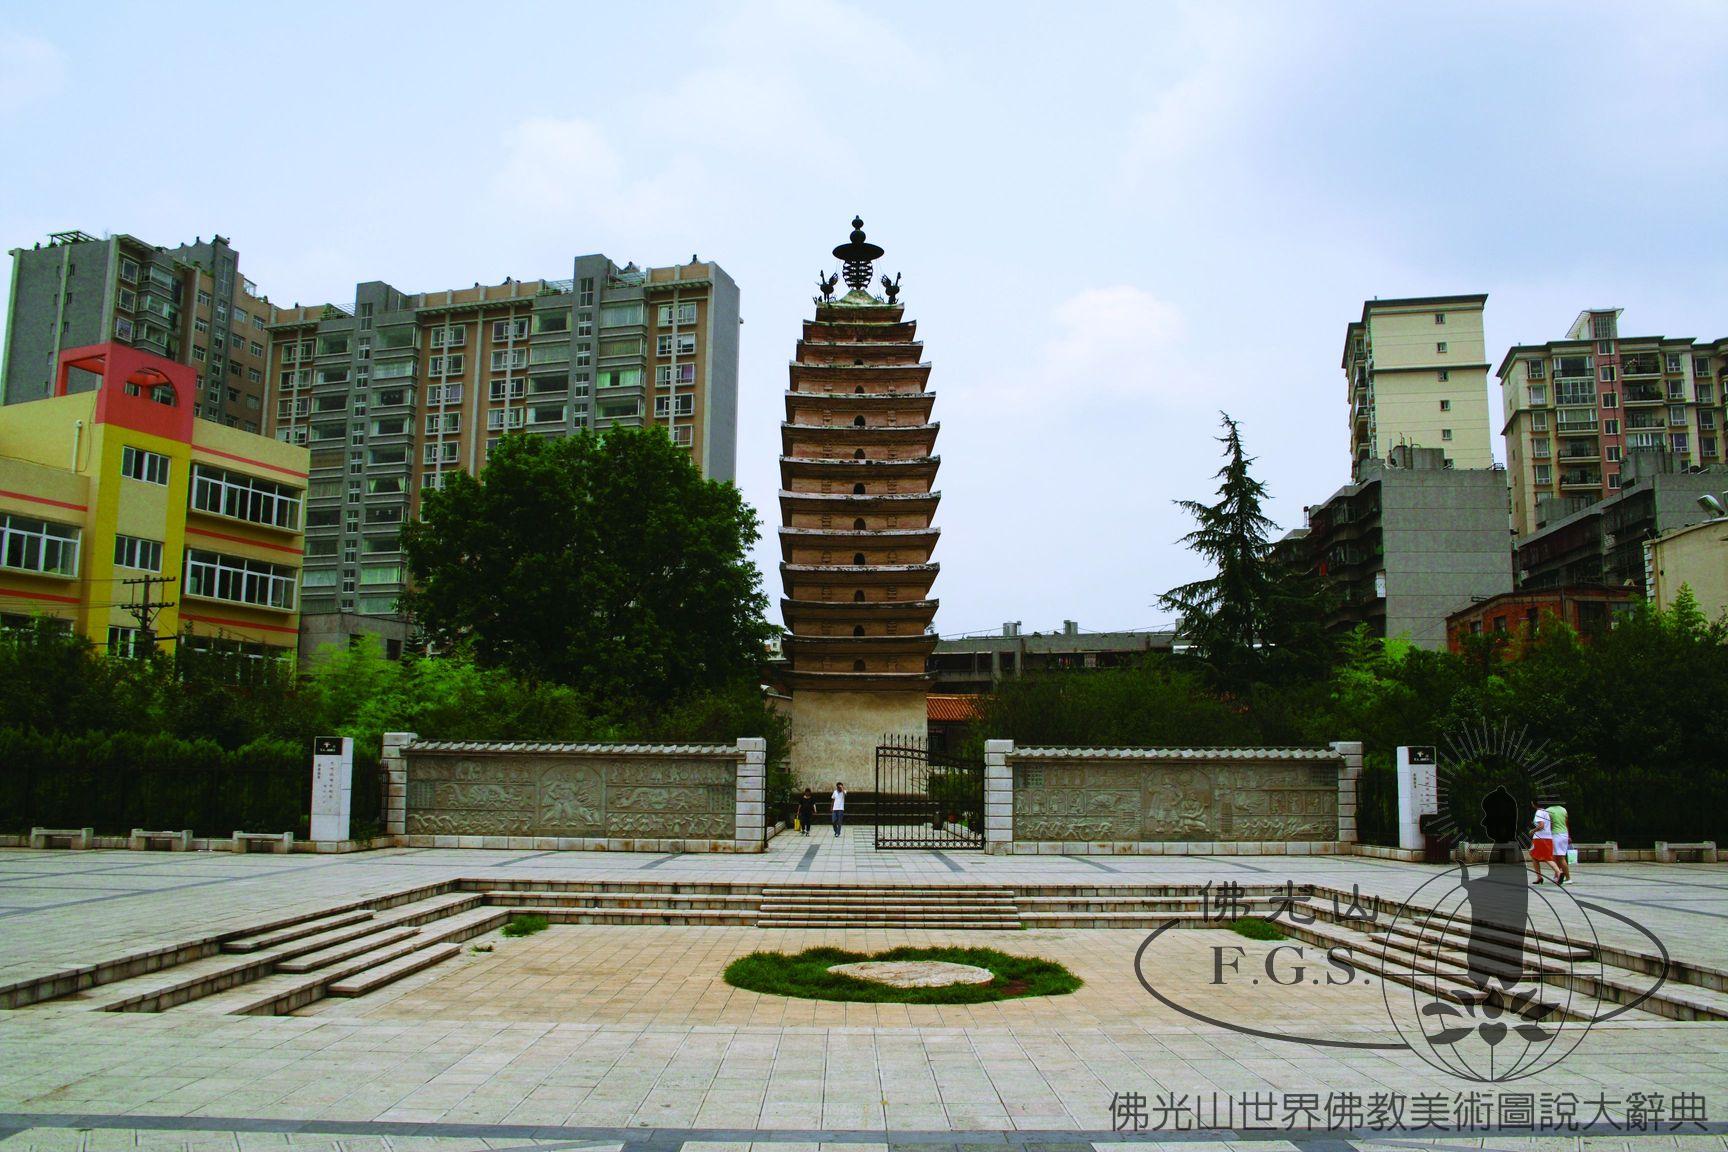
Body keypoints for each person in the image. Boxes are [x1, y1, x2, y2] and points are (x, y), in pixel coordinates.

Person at [1530, 800, 1555, 885]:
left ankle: (1558, 872)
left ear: (1533, 804)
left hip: (1539, 838)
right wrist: (1548, 832)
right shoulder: (1546, 812)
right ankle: (1539, 877)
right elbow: (1552, 824)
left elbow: (1541, 825)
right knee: (1535, 856)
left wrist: (1533, 830)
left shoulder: (1539, 812)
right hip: (1548, 837)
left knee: (1545, 857)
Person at [1548, 799, 1572, 886]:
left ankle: (1568, 878)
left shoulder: (1549, 810)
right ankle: (1557, 875)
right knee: (1558, 856)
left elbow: (1550, 824)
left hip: (1556, 834)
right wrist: (1568, 836)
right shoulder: (1563, 809)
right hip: (1564, 834)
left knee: (1560, 857)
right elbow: (1566, 823)